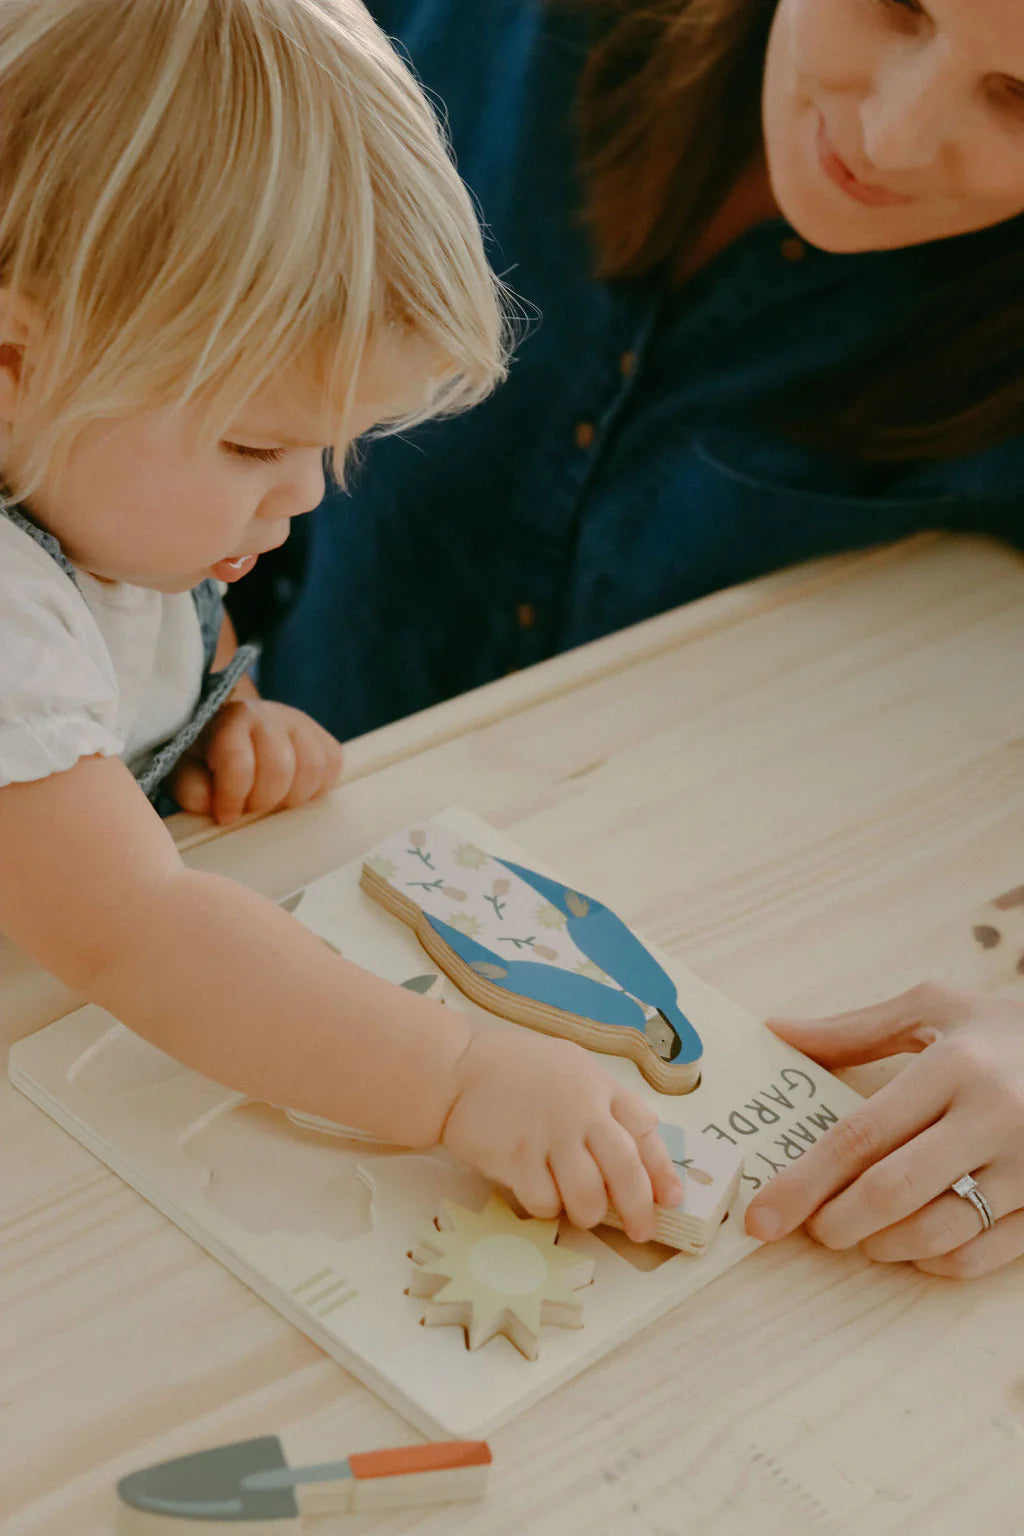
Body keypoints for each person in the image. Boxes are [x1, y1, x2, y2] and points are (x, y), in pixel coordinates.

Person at [245, 0, 1024, 1276]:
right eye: (892, 5)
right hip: (246, 856)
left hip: (685, 1073)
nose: (890, 133)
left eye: (1020, 102)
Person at [0, 0, 683, 1246]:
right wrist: (456, 1081)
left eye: (332, 444)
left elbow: (134, 646)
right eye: (259, 443)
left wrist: (215, 721)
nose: (309, 493)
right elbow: (140, 939)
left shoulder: (95, 474)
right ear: (11, 359)